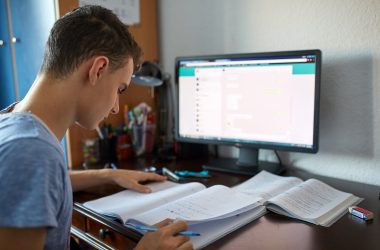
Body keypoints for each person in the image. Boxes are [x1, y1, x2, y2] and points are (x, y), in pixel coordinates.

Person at [0, 5, 193, 250]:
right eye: (119, 89)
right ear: (98, 69)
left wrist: (107, 174)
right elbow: (30, 169)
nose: (115, 107)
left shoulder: (12, 120)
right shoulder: (32, 153)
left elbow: (36, 183)